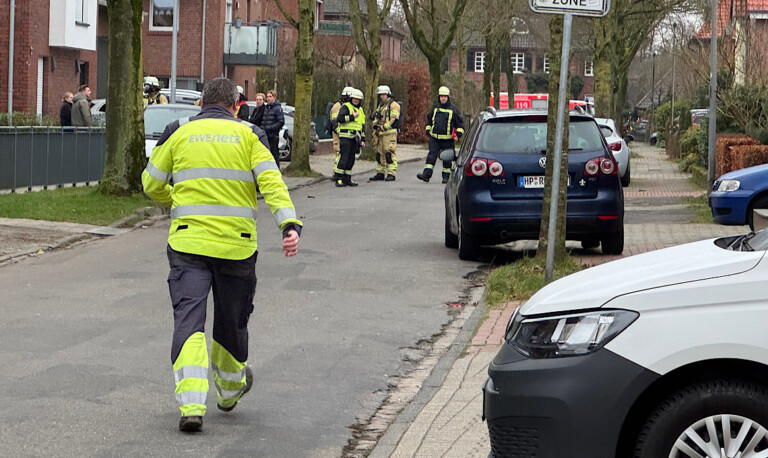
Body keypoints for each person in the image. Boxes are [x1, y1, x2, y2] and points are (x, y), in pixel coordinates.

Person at [141, 78, 302, 433]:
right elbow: (272, 183)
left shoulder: (178, 131)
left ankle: (191, 406)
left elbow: (151, 182)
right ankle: (229, 393)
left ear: (201, 103)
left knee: (189, 321)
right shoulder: (250, 135)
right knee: (231, 322)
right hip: (236, 247)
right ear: (235, 105)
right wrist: (288, 224)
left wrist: (176, 202)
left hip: (187, 246)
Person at [418, 86, 465, 184]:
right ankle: (426, 175)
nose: (443, 98)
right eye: (441, 96)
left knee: (447, 159)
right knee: (431, 156)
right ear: (439, 97)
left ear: (448, 98)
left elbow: (460, 124)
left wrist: (458, 134)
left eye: (445, 96)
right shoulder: (435, 109)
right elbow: (429, 120)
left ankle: (446, 177)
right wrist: (428, 130)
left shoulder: (453, 110)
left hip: (448, 140)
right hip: (435, 138)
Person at [334, 88, 366, 187]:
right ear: (351, 98)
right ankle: (339, 179)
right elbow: (339, 119)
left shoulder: (360, 110)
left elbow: (362, 126)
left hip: (355, 138)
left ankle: (347, 179)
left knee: (351, 159)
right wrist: (352, 117)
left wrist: (363, 139)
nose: (356, 101)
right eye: (354, 99)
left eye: (358, 99)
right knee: (344, 158)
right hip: (345, 137)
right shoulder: (346, 107)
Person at [370, 85, 400, 182]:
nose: (381, 97)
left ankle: (391, 173)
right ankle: (380, 173)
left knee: (389, 153)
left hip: (389, 134)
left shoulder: (394, 105)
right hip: (380, 134)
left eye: (383, 94)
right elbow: (376, 117)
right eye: (380, 95)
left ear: (388, 94)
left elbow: (394, 119)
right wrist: (375, 125)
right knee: (379, 154)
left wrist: (384, 127)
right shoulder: (381, 106)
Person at [329, 87, 353, 178]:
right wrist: (341, 133)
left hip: (345, 135)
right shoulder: (337, 106)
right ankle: (336, 173)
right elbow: (335, 122)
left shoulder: (347, 106)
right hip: (338, 135)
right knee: (339, 153)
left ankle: (341, 173)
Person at [260, 90, 285, 164]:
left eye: (270, 96)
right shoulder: (267, 108)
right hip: (265, 135)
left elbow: (281, 122)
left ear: (274, 97)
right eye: (267, 97)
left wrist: (269, 128)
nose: (268, 98)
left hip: (273, 136)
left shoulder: (277, 108)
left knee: (274, 155)